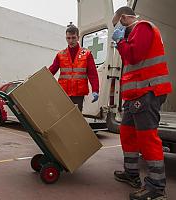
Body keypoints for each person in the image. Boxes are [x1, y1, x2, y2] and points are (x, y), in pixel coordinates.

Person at [112, 6, 172, 200]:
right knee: (127, 134)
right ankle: (131, 174)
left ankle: (156, 187)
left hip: (147, 91)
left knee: (147, 137)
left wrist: (120, 41)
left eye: (117, 24)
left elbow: (135, 56)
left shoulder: (143, 27)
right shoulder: (132, 35)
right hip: (134, 95)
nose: (116, 29)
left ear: (123, 18)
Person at [49, 23, 99, 112]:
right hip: (64, 92)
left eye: (73, 38)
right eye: (68, 38)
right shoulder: (60, 55)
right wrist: (37, 79)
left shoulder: (86, 54)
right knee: (63, 116)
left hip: (78, 94)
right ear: (66, 38)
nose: (71, 41)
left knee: (76, 118)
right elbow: (51, 70)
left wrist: (95, 90)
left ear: (78, 37)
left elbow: (92, 74)